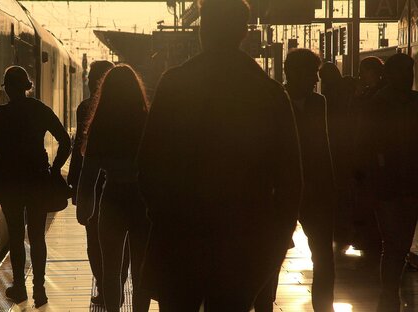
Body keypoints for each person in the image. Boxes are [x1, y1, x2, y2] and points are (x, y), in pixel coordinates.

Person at [137, 0, 302, 310]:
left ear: (204, 30)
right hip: (244, 241)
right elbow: (291, 179)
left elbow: (148, 163)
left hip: (180, 238)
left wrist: (162, 216)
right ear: (244, 32)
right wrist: (275, 241)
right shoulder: (268, 92)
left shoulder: (175, 84)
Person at [0, 66, 71, 308]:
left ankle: (19, 289)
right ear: (26, 86)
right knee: (37, 236)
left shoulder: (1, 113)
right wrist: (55, 169)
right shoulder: (39, 109)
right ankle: (40, 290)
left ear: (8, 88)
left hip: (10, 182)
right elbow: (65, 141)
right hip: (37, 180)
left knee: (15, 235)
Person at [77, 64, 151, 312]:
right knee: (141, 271)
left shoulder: (101, 124)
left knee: (111, 269)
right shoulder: (145, 120)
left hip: (113, 197)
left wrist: (85, 204)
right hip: (142, 200)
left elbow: (89, 170)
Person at [68, 60, 130, 306]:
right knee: (124, 250)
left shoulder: (85, 109)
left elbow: (81, 152)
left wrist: (76, 186)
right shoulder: (138, 112)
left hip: (97, 186)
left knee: (94, 242)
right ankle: (116, 286)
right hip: (127, 187)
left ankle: (105, 287)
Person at [360, 53, 418, 312]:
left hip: (393, 183)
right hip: (398, 184)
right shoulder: (401, 103)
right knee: (398, 241)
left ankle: (389, 292)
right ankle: (390, 291)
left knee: (395, 242)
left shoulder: (378, 103)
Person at [284, 49, 336, 312]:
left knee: (324, 256)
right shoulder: (276, 101)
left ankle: (324, 308)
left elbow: (324, 145)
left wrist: (330, 187)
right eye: (312, 73)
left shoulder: (319, 103)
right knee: (270, 256)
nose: (316, 79)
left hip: (316, 188)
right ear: (293, 73)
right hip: (283, 188)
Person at [319, 62, 356, 253]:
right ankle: (345, 228)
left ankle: (340, 227)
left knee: (337, 190)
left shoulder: (329, 96)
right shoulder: (348, 91)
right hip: (347, 147)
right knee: (344, 190)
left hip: (336, 147)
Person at [352, 56, 385, 262]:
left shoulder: (375, 96)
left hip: (372, 157)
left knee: (371, 200)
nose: (362, 75)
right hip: (369, 156)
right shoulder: (371, 93)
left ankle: (372, 239)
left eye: (365, 71)